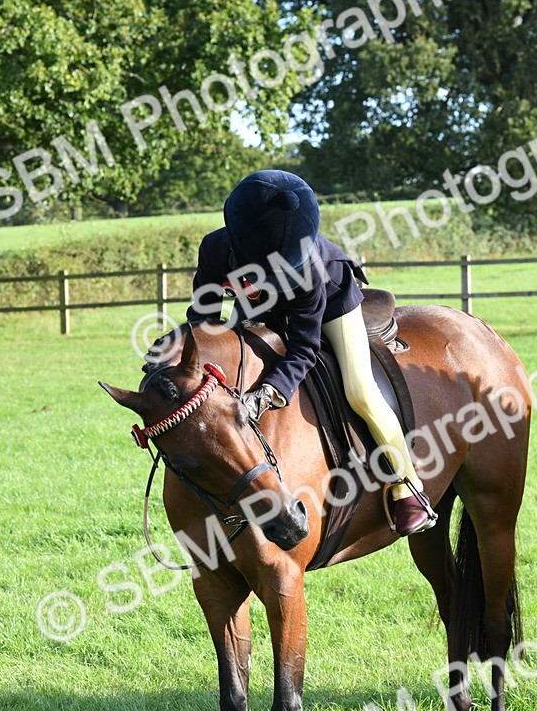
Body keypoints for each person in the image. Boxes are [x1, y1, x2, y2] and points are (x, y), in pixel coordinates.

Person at [185, 170, 437, 535]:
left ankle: (408, 486)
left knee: (360, 390)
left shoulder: (314, 269)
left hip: (332, 303)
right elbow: (203, 320)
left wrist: (269, 393)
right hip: (258, 308)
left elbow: (304, 347)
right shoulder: (215, 249)